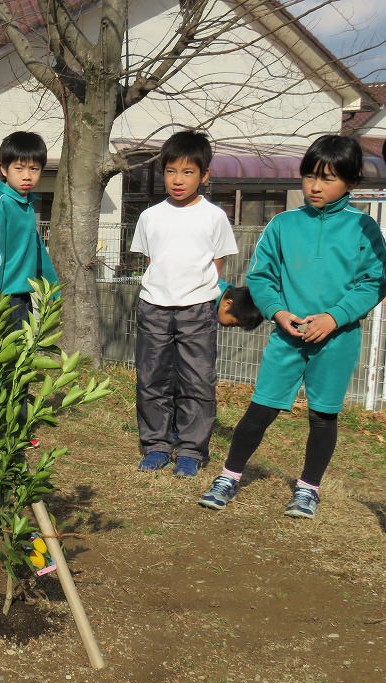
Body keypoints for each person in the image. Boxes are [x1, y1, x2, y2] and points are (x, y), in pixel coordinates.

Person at [199, 135, 386, 519]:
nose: (315, 187)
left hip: (338, 339)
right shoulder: (283, 224)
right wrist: (277, 312)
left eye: (329, 178)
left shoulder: (363, 228)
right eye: (310, 176)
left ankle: (307, 489)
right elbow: (262, 277)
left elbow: (375, 281)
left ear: (350, 183)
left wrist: (334, 317)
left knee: (323, 415)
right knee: (261, 409)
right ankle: (230, 476)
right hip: (287, 337)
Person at [130, 130, 238, 477]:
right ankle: (156, 445)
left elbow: (217, 263)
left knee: (197, 380)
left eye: (188, 172)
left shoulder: (214, 216)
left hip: (198, 310)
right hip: (154, 307)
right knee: (152, 379)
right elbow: (151, 260)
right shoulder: (150, 216)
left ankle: (191, 449)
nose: (178, 180)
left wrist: (196, 293)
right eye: (171, 171)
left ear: (204, 176)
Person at [0, 131, 59, 441]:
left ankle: (16, 428)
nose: (28, 175)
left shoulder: (26, 205)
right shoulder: (0, 206)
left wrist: (52, 287)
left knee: (21, 365)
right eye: (20, 168)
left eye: (34, 168)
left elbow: (35, 249)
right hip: (0, 300)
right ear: (4, 170)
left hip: (22, 298)